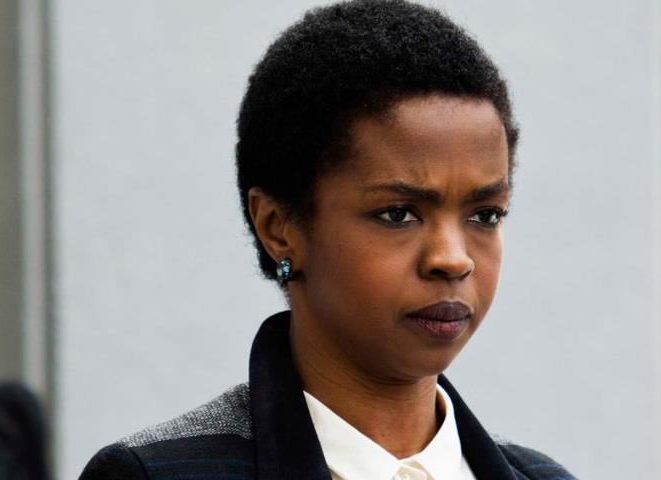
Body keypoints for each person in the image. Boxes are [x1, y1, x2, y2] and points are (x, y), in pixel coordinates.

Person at [80, 1, 575, 479]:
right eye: (398, 214)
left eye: (485, 215)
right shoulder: (157, 474)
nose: (452, 259)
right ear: (278, 228)